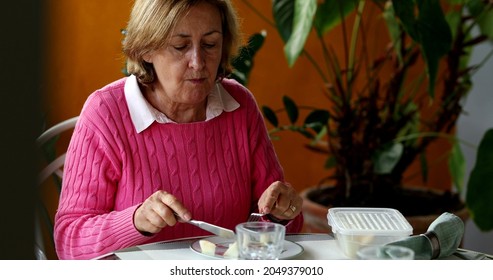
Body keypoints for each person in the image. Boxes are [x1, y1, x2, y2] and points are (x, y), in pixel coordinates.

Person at [54, 0, 304, 260]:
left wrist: (280, 213)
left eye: (210, 44)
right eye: (180, 46)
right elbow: (68, 242)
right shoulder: (106, 112)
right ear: (147, 48)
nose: (197, 62)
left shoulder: (240, 106)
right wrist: (135, 221)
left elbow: (286, 229)